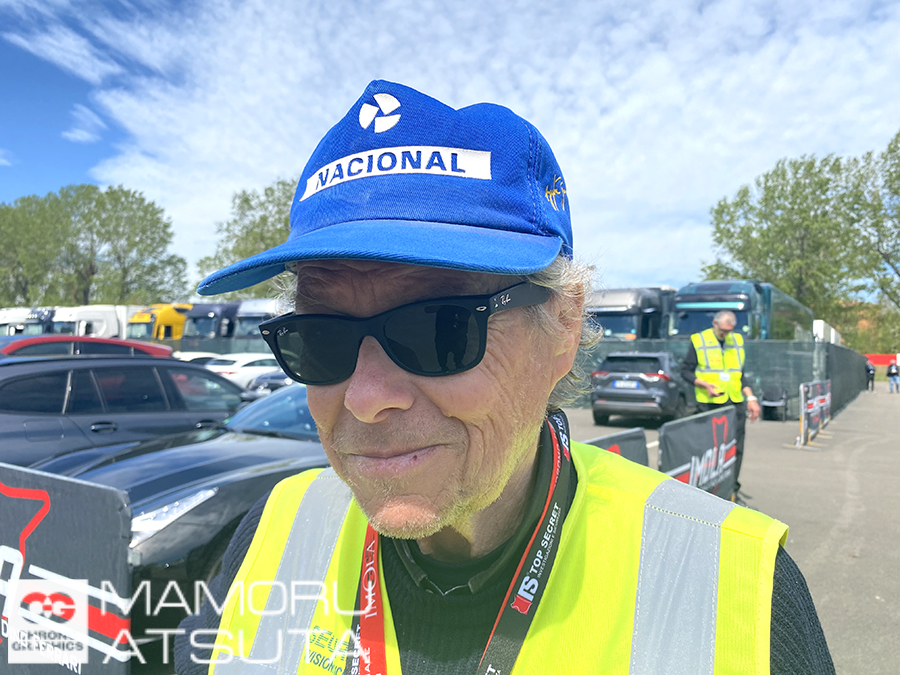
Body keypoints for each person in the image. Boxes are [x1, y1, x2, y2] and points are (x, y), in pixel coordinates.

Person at [174, 81, 833, 675]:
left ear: (564, 324)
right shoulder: (268, 533)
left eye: (439, 329)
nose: (368, 398)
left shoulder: (735, 590)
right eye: (320, 338)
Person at [680, 310, 760, 500]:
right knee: (710, 450)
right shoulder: (699, 340)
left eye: (729, 331)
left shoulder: (736, 341)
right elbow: (685, 371)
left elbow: (740, 375)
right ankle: (707, 491)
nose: (726, 334)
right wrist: (704, 385)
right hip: (709, 405)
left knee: (736, 448)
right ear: (715, 323)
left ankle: (732, 489)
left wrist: (751, 399)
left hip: (734, 402)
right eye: (723, 330)